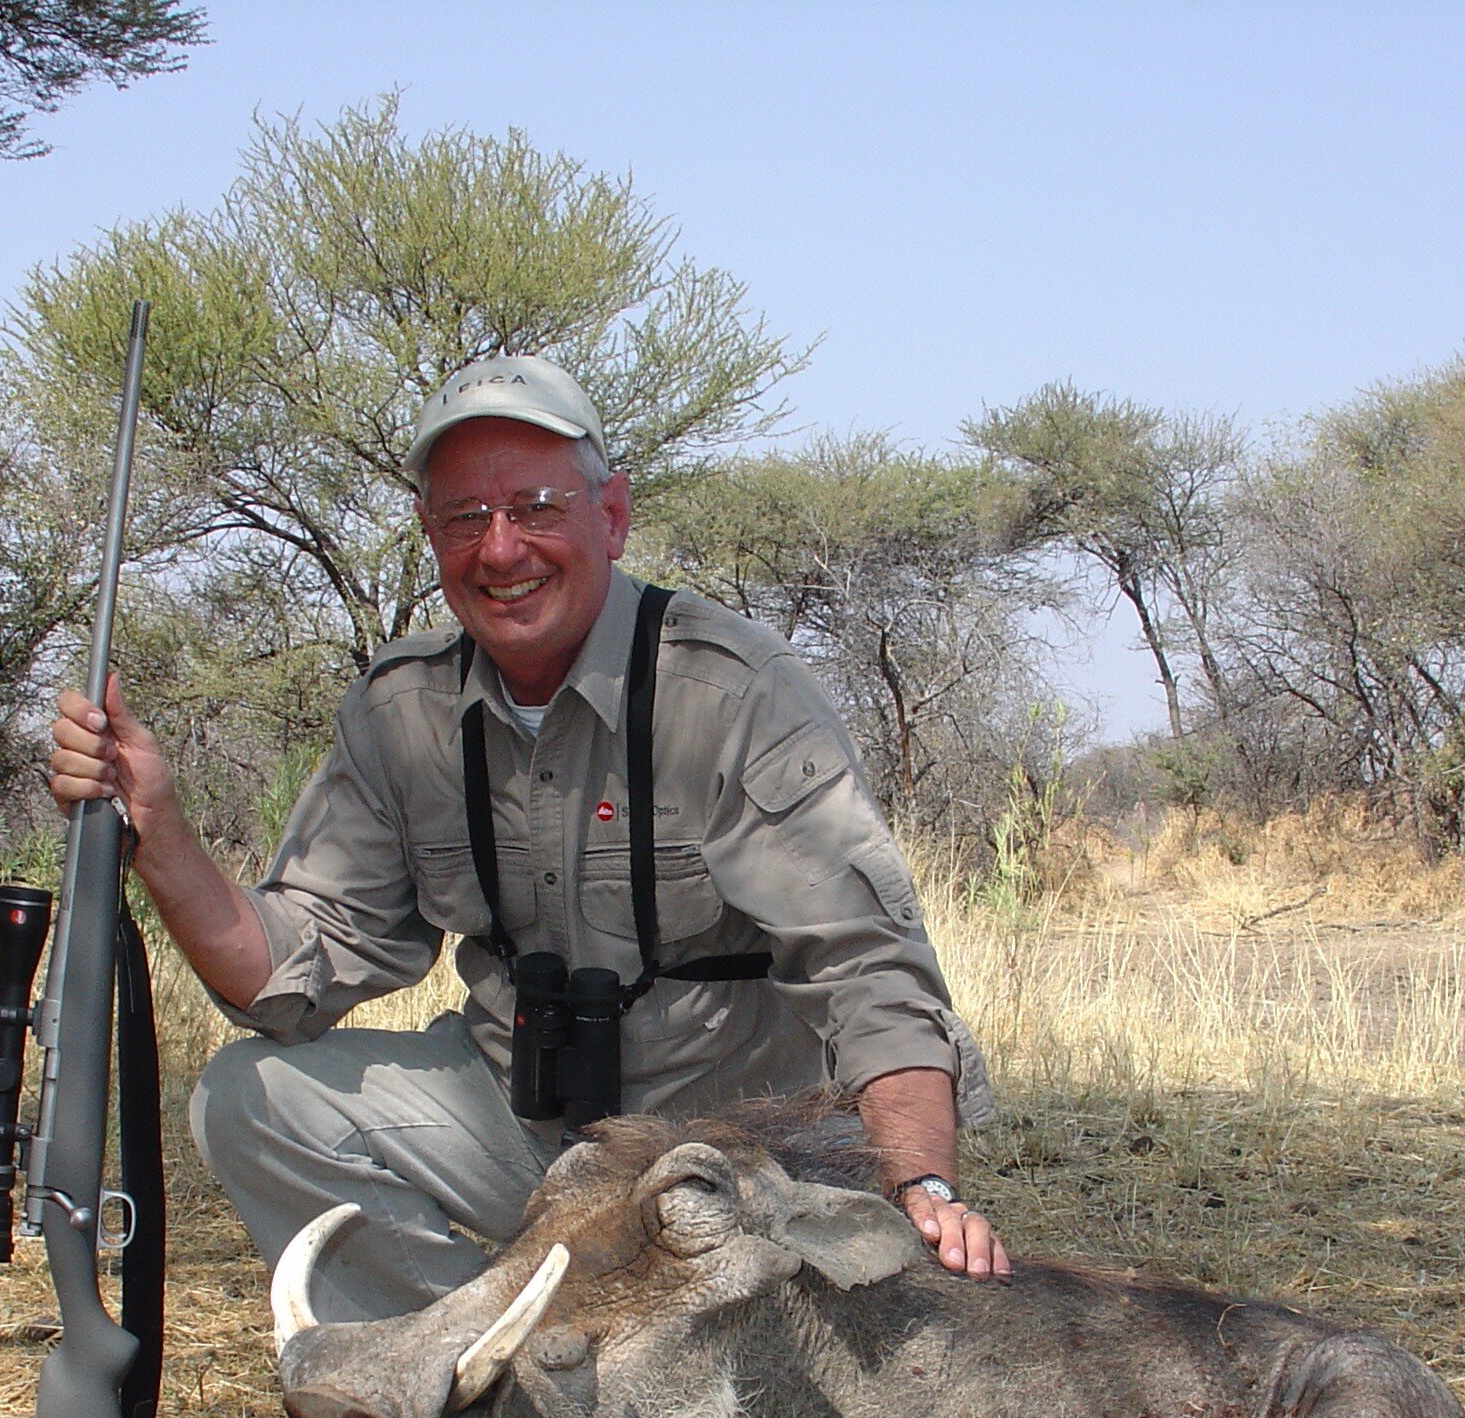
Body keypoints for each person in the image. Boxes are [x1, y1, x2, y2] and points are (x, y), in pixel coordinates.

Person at [49, 354, 1008, 1319]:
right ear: (431, 536)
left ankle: (585, 1355)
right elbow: (285, 979)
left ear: (614, 516)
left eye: (538, 507)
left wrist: (922, 1188)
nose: (501, 551)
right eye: (465, 518)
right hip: (531, 1134)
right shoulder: (400, 709)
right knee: (251, 1100)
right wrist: (162, 835)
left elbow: (870, 968)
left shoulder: (734, 688)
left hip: (743, 1161)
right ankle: (464, 1386)